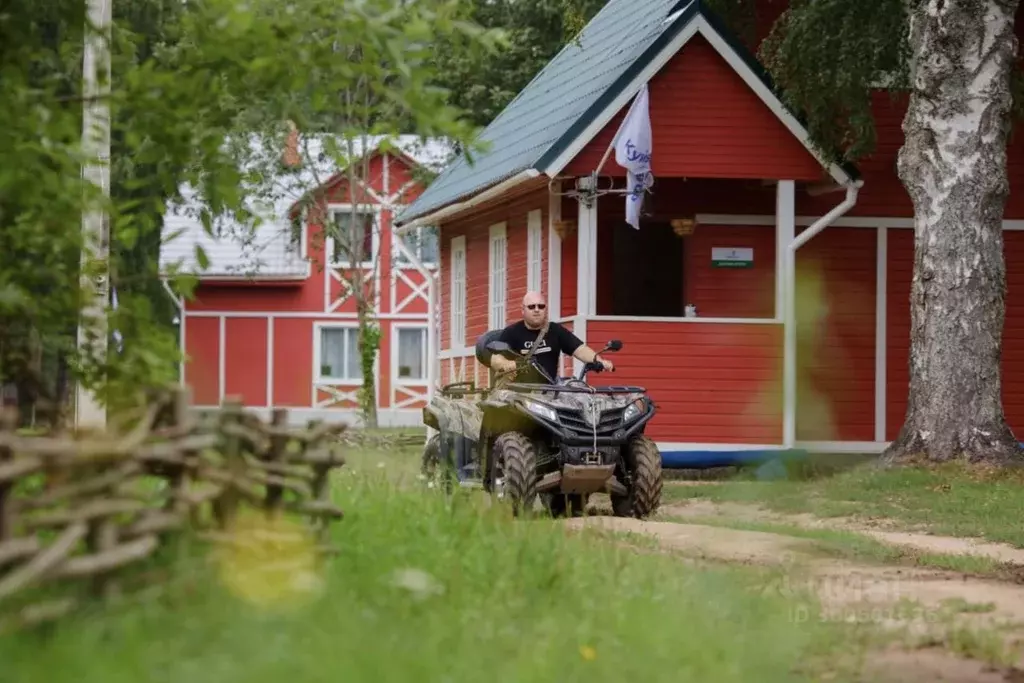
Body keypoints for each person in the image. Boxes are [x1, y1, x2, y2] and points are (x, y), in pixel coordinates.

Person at [489, 291, 613, 382]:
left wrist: (599, 361)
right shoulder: (512, 332)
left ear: (545, 309)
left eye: (541, 306)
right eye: (531, 307)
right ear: (523, 310)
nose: (536, 310)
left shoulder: (555, 330)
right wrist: (507, 364)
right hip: (519, 391)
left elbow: (579, 349)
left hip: (549, 391)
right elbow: (495, 359)